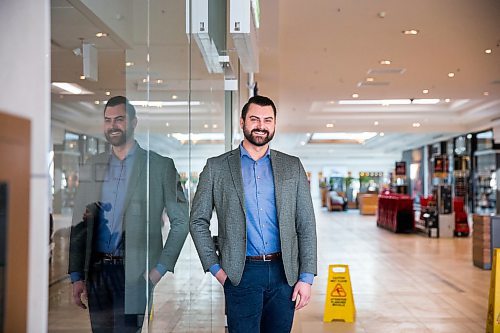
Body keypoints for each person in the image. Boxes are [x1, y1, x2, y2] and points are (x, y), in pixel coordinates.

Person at [190, 95, 317, 332]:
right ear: (242, 122)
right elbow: (197, 221)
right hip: (240, 275)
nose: (261, 125)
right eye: (254, 119)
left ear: (275, 124)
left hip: (284, 275)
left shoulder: (292, 166)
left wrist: (306, 277)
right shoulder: (216, 167)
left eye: (267, 120)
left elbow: (306, 224)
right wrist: (216, 269)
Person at [68, 96, 189, 332]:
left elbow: (182, 222)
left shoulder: (159, 166)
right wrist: (76, 275)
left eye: (119, 119)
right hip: (97, 274)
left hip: (135, 275)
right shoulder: (94, 165)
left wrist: (157, 271)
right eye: (108, 120)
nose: (113, 126)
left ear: (134, 123)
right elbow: (79, 223)